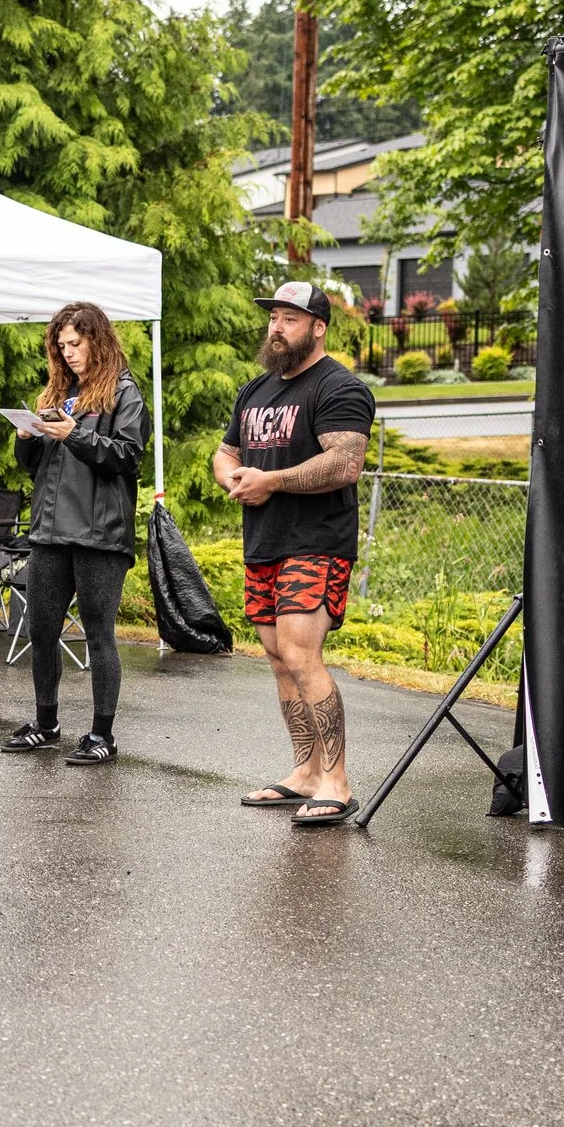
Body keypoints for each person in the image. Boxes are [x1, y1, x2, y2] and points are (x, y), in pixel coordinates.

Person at [214, 281, 376, 827]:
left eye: (289, 318)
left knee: (303, 656)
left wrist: (273, 481)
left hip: (317, 542)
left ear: (318, 327)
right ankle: (304, 773)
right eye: (274, 317)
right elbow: (226, 451)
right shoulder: (255, 391)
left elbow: (344, 464)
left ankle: (338, 781)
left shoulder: (339, 388)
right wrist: (234, 478)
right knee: (281, 661)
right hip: (264, 542)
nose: (276, 327)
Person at [1, 301, 150, 765]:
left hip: (100, 533)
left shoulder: (125, 394)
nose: (67, 353)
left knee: (98, 633)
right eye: (61, 346)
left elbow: (128, 456)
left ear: (97, 341)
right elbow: (34, 469)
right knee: (40, 628)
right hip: (50, 529)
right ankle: (46, 725)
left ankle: (102, 736)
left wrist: (74, 435)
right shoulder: (58, 394)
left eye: (75, 344)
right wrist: (26, 438)